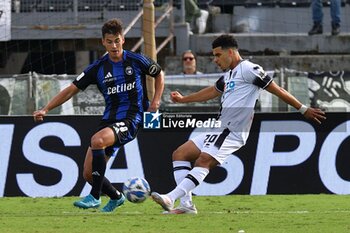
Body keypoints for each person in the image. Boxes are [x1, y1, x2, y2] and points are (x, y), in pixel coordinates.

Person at [151, 34, 326, 214]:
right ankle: (186, 205)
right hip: (220, 129)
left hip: (233, 131)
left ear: (231, 52)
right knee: (180, 154)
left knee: (203, 160)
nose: (215, 60)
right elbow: (212, 91)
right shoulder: (228, 76)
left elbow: (277, 89)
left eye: (218, 55)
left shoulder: (249, 69)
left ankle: (170, 197)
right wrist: (183, 100)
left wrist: (303, 109)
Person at [33, 18, 165, 212]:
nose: (114, 45)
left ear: (123, 40)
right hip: (109, 120)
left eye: (117, 41)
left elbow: (159, 73)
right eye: (109, 41)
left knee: (97, 141)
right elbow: (71, 90)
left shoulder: (136, 60)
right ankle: (116, 196)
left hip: (132, 118)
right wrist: (45, 108)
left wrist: (156, 101)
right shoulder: (98, 67)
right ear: (103, 42)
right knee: (88, 173)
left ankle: (94, 197)